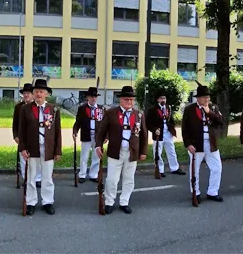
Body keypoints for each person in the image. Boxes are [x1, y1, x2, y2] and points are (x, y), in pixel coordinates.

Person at [94, 86, 147, 214]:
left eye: (131, 99)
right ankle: (109, 202)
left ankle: (124, 201)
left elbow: (144, 134)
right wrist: (98, 145)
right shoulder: (111, 113)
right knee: (112, 179)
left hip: (132, 151)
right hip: (115, 151)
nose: (129, 102)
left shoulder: (139, 114)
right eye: (126, 99)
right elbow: (102, 130)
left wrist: (143, 151)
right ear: (120, 100)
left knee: (129, 179)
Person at [17, 78, 61, 215]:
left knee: (47, 177)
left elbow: (57, 131)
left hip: (48, 148)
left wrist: (57, 150)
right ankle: (31, 202)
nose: (39, 94)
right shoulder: (26, 109)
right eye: (36, 91)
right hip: (32, 148)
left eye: (41, 92)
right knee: (31, 177)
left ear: (47, 94)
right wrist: (22, 148)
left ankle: (48, 201)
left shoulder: (53, 109)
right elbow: (21, 130)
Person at [181, 84, 224, 206]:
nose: (207, 100)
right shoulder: (189, 109)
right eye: (204, 97)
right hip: (196, 144)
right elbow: (185, 129)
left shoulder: (213, 108)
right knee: (194, 171)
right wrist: (188, 144)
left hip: (211, 144)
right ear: (198, 98)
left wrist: (209, 112)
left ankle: (213, 191)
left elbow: (220, 122)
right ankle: (196, 192)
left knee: (217, 168)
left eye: (208, 97)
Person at [145, 92, 184, 178]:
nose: (163, 100)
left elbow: (171, 119)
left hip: (168, 133)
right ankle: (160, 170)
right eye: (161, 98)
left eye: (164, 98)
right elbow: (148, 123)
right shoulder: (152, 109)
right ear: (158, 99)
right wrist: (154, 130)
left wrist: (172, 128)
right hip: (158, 134)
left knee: (171, 151)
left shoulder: (168, 108)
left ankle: (175, 168)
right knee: (158, 153)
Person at [72, 87, 104, 184]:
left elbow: (105, 124)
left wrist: (106, 136)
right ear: (88, 98)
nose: (93, 99)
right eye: (91, 97)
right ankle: (82, 174)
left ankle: (93, 174)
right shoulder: (82, 108)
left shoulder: (101, 109)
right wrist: (75, 131)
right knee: (84, 156)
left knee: (96, 156)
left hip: (98, 136)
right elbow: (78, 122)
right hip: (86, 134)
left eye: (95, 97)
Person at [10, 83, 36, 188]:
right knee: (23, 158)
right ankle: (26, 179)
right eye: (25, 93)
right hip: (22, 136)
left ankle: (36, 179)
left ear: (32, 95)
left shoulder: (36, 106)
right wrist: (15, 136)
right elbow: (15, 123)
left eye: (28, 93)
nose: (26, 95)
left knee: (35, 159)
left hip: (34, 136)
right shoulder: (19, 107)